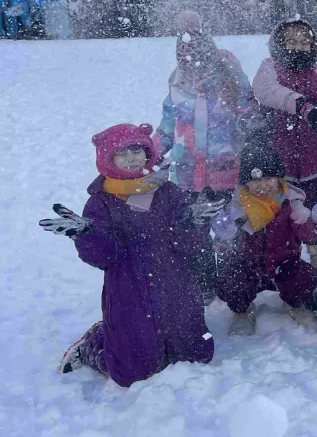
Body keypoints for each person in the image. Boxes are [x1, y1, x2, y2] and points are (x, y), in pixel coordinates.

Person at [42, 123, 220, 387]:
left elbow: (187, 245)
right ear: (107, 159)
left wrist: (193, 223)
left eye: (136, 150)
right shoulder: (101, 201)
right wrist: (86, 234)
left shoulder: (167, 192)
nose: (130, 158)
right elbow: (105, 257)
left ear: (147, 153)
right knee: (131, 373)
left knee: (198, 355)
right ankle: (94, 345)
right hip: (129, 290)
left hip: (175, 285)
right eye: (121, 154)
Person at [155, 11, 254, 302]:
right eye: (185, 60)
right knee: (194, 232)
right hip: (186, 173)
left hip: (223, 170)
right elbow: (165, 128)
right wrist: (150, 152)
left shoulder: (229, 84)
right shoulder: (176, 88)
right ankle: (205, 281)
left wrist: (252, 127)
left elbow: (248, 112)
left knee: (226, 229)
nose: (193, 67)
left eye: (200, 60)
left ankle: (232, 280)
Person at [211, 141, 317, 335]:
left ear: (279, 179)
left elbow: (306, 234)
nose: (262, 186)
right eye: (255, 180)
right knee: (231, 278)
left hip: (284, 263)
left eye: (268, 178)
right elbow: (227, 246)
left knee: (302, 278)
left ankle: (294, 304)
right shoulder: (238, 206)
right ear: (245, 183)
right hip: (249, 265)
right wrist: (224, 235)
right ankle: (242, 311)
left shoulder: (291, 203)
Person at [252, 18, 317, 208]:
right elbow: (267, 90)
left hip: (315, 156)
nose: (299, 47)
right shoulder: (270, 67)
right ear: (280, 44)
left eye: (305, 42)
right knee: (281, 215)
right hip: (278, 158)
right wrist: (303, 106)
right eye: (292, 42)